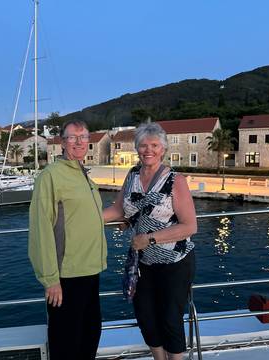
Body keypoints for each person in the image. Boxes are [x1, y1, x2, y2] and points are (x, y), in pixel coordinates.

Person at [103, 122, 197, 360]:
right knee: (145, 317)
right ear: (137, 148)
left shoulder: (175, 180)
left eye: (154, 145)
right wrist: (83, 218)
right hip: (143, 262)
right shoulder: (133, 174)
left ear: (163, 149)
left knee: (170, 319)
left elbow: (190, 226)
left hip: (175, 261)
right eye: (143, 145)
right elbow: (117, 209)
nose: (148, 150)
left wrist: (150, 239)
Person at [28, 120, 108, 360]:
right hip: (66, 275)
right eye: (73, 137)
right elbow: (41, 230)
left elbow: (85, 216)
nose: (79, 142)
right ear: (62, 142)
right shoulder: (50, 176)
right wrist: (51, 279)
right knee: (66, 342)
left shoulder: (82, 173)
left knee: (90, 334)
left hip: (90, 270)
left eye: (83, 137)